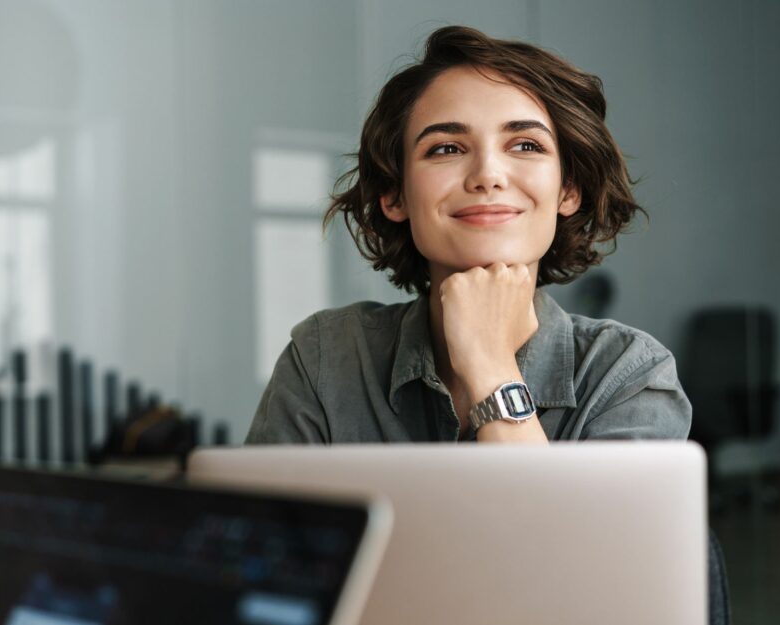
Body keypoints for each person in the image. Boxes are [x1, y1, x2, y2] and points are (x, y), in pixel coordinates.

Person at [246, 25, 691, 445]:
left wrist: (490, 365)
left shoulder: (628, 375)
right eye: (446, 149)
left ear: (568, 189)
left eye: (526, 145)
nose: (487, 175)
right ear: (394, 195)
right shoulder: (324, 359)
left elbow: (564, 531)